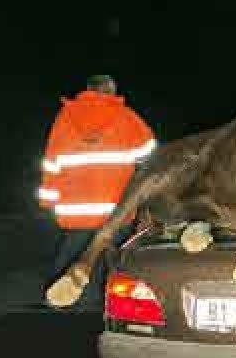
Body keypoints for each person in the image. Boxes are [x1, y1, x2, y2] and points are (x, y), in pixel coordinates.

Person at [38, 74, 156, 306]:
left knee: (70, 264)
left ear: (89, 90)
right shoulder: (127, 117)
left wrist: (49, 201)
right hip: (116, 211)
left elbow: (52, 162)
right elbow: (150, 155)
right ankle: (107, 310)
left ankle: (64, 308)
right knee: (112, 265)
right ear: (111, 91)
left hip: (75, 212)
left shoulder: (65, 118)